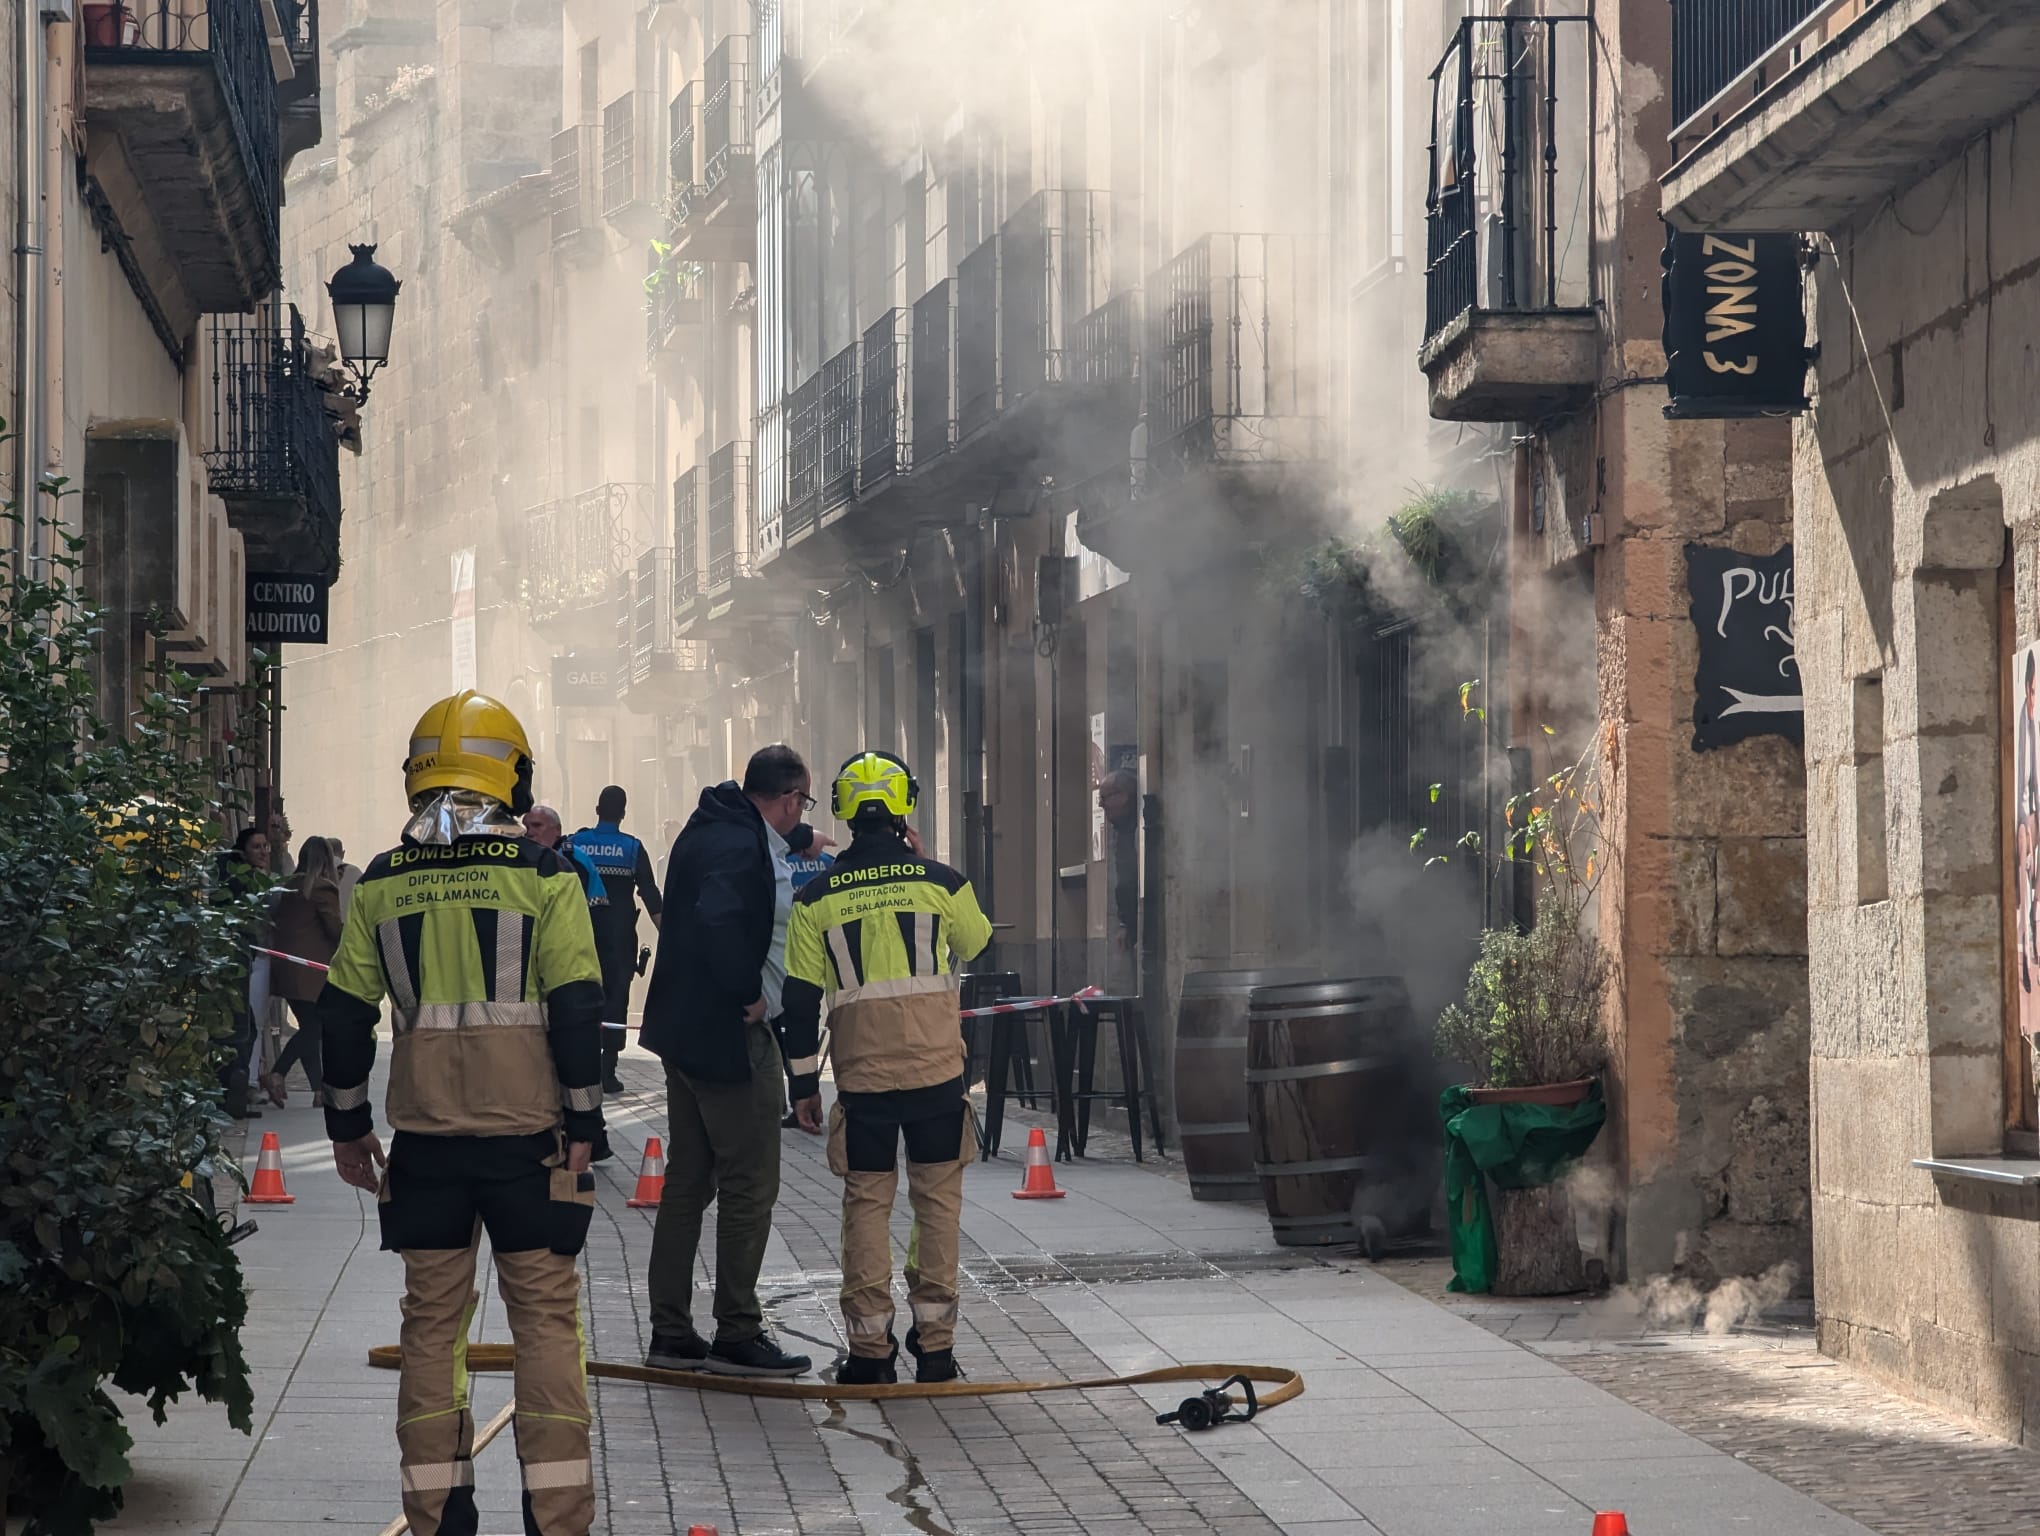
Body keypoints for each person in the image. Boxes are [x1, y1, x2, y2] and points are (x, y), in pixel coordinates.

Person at [312, 689, 607, 1536]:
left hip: (426, 1147)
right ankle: (558, 1517)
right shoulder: (546, 880)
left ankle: (438, 1513)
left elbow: (340, 1014)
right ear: (510, 776)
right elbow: (579, 1007)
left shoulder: (380, 885)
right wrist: (584, 1125)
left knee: (431, 1328)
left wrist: (346, 1124)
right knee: (547, 1323)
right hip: (529, 1148)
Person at [782, 750, 993, 1385]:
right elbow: (977, 941)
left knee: (867, 1205)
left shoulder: (815, 897)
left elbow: (797, 1000)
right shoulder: (942, 883)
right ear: (905, 808)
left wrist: (800, 1085)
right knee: (937, 1204)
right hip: (935, 1075)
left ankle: (870, 1354)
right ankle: (936, 1348)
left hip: (862, 1078)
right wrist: (925, 862)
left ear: (844, 813)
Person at [637, 746, 816, 1378]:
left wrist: (807, 844)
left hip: (683, 1032)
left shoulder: (712, 827)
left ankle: (671, 1331)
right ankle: (737, 1331)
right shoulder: (741, 847)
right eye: (803, 803)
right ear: (789, 798)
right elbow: (719, 917)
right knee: (749, 1184)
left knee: (688, 1181)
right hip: (728, 1038)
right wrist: (750, 993)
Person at [572, 786, 664, 1094]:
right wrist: (669, 933)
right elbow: (650, 894)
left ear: (597, 810)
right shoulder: (633, 848)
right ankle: (608, 1072)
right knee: (615, 1000)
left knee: (580, 997)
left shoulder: (575, 844)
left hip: (579, 934)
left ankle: (580, 1066)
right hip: (619, 939)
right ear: (623, 815)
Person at [264, 834, 344, 1107]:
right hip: (310, 971)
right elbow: (334, 929)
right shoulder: (322, 888)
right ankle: (278, 1072)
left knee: (309, 1026)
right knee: (316, 1026)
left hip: (285, 967)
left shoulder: (288, 885)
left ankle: (319, 1091)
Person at [216, 825, 271, 1121]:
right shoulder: (240, 881)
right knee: (240, 1029)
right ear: (242, 851)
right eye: (257, 847)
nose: (263, 852)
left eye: (266, 846)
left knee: (244, 1027)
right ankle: (230, 1092)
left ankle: (232, 1092)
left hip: (242, 960)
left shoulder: (248, 878)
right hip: (234, 961)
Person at [525, 803, 606, 904]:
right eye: (525, 827)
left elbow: (597, 906)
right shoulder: (520, 857)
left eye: (537, 826)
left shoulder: (574, 858)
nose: (529, 832)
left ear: (557, 830)